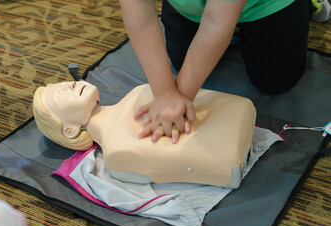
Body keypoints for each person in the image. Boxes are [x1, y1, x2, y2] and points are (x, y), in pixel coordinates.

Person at [119, 0, 316, 144]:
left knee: (275, 81)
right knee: (181, 62)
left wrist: (179, 103)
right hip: (193, 7)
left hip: (266, 5)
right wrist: (164, 94)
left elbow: (216, 21)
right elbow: (138, 10)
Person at [33, 80, 256, 186]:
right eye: (59, 94)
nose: (68, 84)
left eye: (64, 83)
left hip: (237, 120)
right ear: (69, 131)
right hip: (229, 156)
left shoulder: (139, 91)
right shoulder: (117, 153)